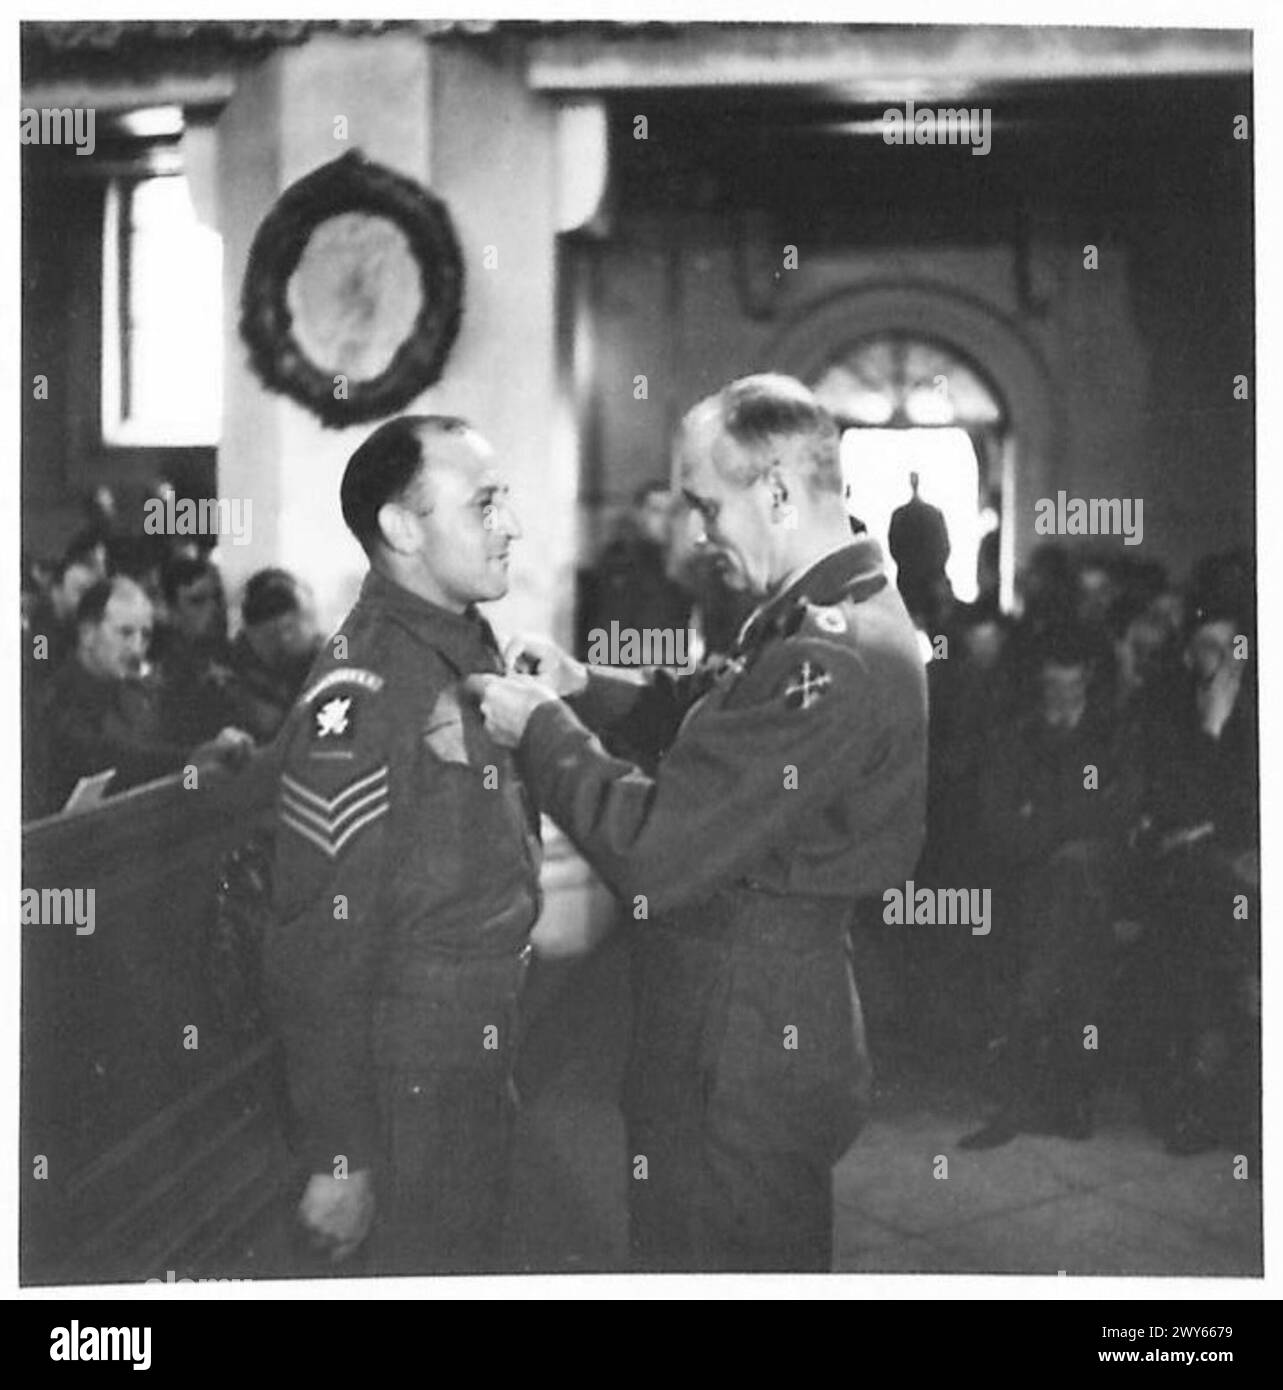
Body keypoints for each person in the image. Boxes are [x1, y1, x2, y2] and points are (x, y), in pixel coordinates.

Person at [467, 374, 928, 1272]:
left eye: (707, 506)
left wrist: (541, 731)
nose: (697, 533)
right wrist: (585, 686)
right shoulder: (829, 614)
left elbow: (656, 849)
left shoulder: (829, 655)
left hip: (740, 1028)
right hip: (759, 1006)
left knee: (711, 1257)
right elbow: (719, 706)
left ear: (779, 493)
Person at [263, 415, 542, 1275]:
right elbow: (320, 938)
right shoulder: (367, 688)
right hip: (409, 1074)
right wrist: (340, 1155)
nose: (511, 525)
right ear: (401, 528)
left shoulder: (455, 641)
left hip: (472, 1044)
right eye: (484, 503)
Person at [38, 576, 252, 813]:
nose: (137, 648)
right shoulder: (55, 699)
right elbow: (112, 757)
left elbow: (170, 737)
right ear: (88, 634)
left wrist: (217, 744)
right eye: (125, 633)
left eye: (145, 635)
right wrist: (192, 758)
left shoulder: (136, 693)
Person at [153, 554, 241, 747]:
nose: (214, 609)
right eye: (197, 601)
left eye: (217, 597)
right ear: (171, 611)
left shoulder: (241, 658)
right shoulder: (162, 678)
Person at [228, 569, 322, 743]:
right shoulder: (234, 666)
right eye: (270, 635)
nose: (283, 639)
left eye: (288, 628)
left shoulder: (329, 665)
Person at [888, 469, 950, 623]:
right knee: (938, 631)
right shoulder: (933, 514)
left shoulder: (900, 515)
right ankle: (940, 649)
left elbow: (894, 546)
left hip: (909, 582)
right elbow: (944, 547)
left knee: (910, 628)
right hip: (931, 582)